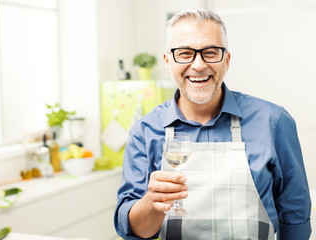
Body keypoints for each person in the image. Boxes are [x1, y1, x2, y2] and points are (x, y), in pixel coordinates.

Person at [114, 8, 312, 240]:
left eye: (210, 52)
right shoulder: (145, 132)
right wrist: (151, 202)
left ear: (226, 60)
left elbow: (295, 215)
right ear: (168, 62)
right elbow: (135, 231)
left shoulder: (274, 121)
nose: (198, 65)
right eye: (185, 53)